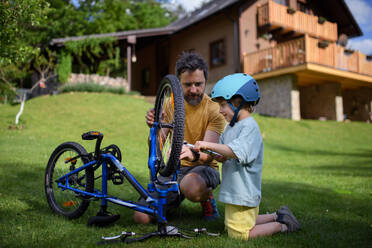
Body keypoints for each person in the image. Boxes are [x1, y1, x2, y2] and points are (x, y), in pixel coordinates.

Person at [193, 73, 301, 240]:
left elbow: (235, 151)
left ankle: (283, 225)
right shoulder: (231, 127)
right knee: (237, 224)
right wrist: (205, 151)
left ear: (238, 102)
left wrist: (208, 144)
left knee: (239, 234)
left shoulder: (250, 127)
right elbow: (224, 155)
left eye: (223, 105)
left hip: (244, 190)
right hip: (235, 189)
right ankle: (278, 215)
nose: (220, 111)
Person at [133, 52, 226, 224]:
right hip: (173, 169)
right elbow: (157, 148)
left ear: (206, 81)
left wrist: (193, 154)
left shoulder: (215, 109)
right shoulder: (170, 103)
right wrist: (154, 128)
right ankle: (172, 201)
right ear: (178, 83)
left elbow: (211, 153)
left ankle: (207, 198)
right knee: (141, 217)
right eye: (187, 84)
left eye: (198, 84)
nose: (193, 90)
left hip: (203, 167)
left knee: (190, 186)